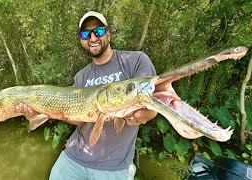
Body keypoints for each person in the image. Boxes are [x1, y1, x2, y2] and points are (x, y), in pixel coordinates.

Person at [16, 11, 175, 180]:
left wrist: (136, 116)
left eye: (98, 31)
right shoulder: (81, 76)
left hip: (114, 166)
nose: (92, 38)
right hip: (73, 157)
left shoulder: (135, 61)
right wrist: (43, 111)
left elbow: (151, 110)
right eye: (86, 34)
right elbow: (79, 119)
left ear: (108, 34)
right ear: (82, 40)